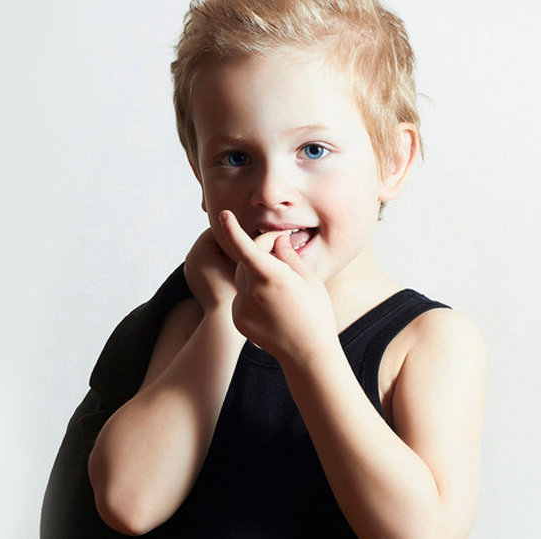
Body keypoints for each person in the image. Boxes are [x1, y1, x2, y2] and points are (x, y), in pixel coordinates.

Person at [41, 0, 487, 537]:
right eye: (236, 158)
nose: (271, 192)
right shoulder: (197, 317)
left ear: (392, 160)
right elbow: (126, 503)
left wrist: (309, 351)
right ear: (198, 172)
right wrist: (224, 316)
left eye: (313, 150)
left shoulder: (432, 342)